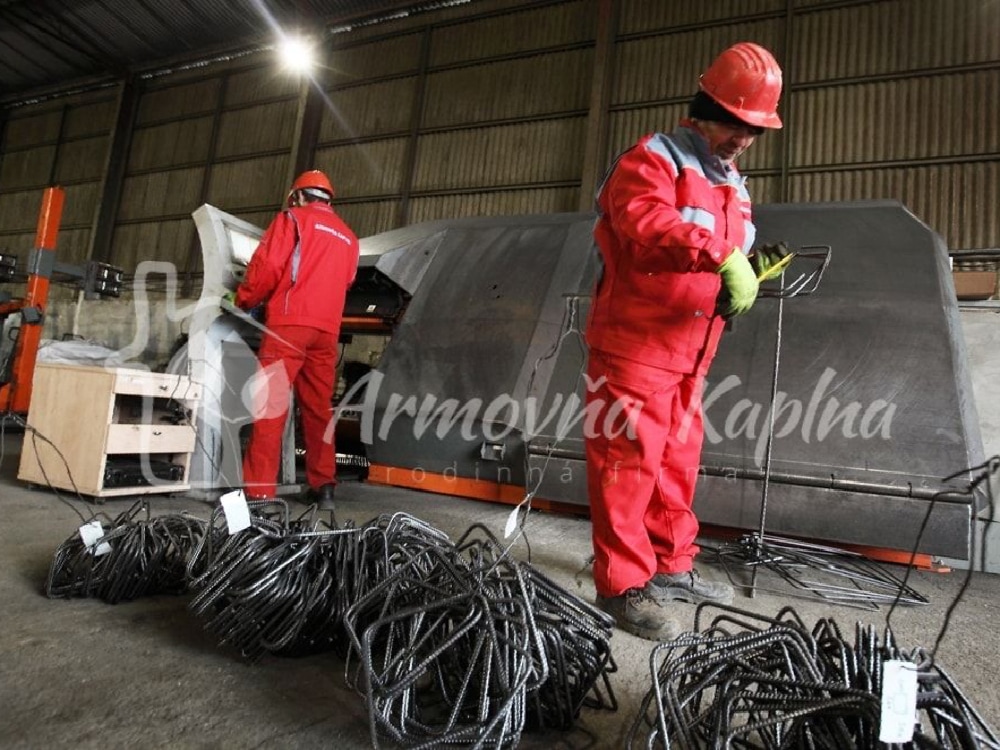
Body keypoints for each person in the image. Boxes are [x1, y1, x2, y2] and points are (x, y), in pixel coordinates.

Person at [584, 42, 789, 641]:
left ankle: (670, 564)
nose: (744, 138)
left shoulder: (733, 184)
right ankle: (621, 586)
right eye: (737, 123)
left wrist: (747, 271)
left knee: (676, 462)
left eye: (755, 130)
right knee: (628, 463)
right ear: (705, 107)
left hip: (692, 349)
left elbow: (719, 258)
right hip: (636, 342)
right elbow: (647, 226)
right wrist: (724, 255)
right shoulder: (653, 160)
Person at [227, 169, 360, 509]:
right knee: (318, 410)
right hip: (326, 331)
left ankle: (258, 493)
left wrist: (243, 299)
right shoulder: (349, 237)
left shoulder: (292, 219)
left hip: (289, 325)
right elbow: (345, 282)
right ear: (328, 200)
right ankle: (323, 488)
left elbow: (268, 266)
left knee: (271, 407)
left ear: (298, 196)